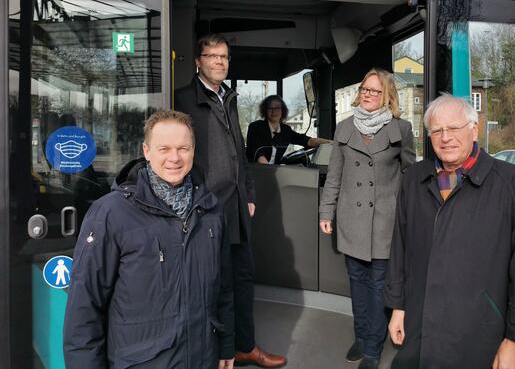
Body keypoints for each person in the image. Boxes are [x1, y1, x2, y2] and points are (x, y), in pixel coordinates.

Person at [385, 94, 515, 369]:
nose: (445, 137)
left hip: (481, 336)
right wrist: (397, 306)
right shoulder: (414, 179)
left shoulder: (512, 184)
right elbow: (400, 246)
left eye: (454, 128)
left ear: (474, 130)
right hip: (420, 329)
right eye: (437, 130)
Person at [63, 110, 234, 369]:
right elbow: (85, 305)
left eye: (183, 148)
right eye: (164, 148)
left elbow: (224, 287)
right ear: (146, 151)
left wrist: (226, 344)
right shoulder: (111, 213)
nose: (174, 158)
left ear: (193, 150)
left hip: (202, 358)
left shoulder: (211, 209)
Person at [175, 34, 286, 368]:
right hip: (206, 209)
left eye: (224, 56)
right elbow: (179, 160)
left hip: (237, 208)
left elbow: (239, 153)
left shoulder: (229, 98)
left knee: (242, 280)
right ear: (198, 61)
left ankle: (245, 346)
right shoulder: (183, 100)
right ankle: (214, 352)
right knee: (212, 284)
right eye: (212, 56)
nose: (220, 62)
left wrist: (249, 194)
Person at [319, 68, 416, 369]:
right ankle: (361, 336)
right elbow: (334, 174)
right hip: (351, 220)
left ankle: (373, 347)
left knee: (378, 285)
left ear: (387, 95)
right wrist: (326, 211)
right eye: (365, 89)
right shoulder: (345, 127)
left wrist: (411, 216)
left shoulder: (401, 128)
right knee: (357, 282)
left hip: (385, 222)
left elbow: (410, 175)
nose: (368, 95)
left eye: (375, 90)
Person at [246, 95, 331, 164]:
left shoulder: (286, 130)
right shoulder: (255, 127)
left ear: (283, 110)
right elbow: (259, 155)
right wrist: (270, 174)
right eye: (270, 108)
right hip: (255, 172)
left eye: (277, 108)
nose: (274, 111)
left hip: (273, 171)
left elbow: (308, 140)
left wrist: (331, 143)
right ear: (265, 110)